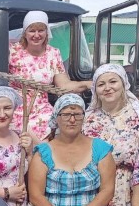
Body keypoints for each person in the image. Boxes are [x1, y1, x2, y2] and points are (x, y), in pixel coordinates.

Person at [82, 63, 139, 206]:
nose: (107, 88)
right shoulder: (87, 120)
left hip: (128, 191)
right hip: (92, 190)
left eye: (113, 82)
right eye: (101, 84)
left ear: (123, 84)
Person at [8, 10, 90, 140]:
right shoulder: (12, 51)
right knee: (26, 132)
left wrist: (88, 84)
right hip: (16, 107)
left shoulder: (53, 54)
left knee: (59, 127)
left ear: (47, 32)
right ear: (25, 32)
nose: (36, 35)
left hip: (42, 109)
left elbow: (64, 85)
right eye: (32, 31)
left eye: (41, 30)